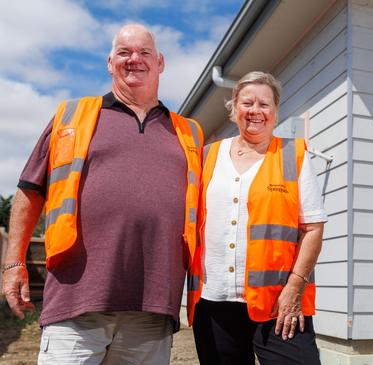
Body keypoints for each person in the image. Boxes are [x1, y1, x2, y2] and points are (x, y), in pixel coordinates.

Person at [1, 24, 203, 364]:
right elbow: (29, 191)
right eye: (124, 53)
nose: (134, 59)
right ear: (110, 63)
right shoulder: (73, 116)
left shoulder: (189, 132)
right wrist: (13, 264)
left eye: (144, 52)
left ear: (161, 62)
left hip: (153, 307)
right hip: (76, 300)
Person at [187, 71, 327, 364]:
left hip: (280, 304)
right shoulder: (206, 156)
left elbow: (312, 229)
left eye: (264, 104)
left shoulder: (293, 156)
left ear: (276, 111)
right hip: (215, 304)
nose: (255, 111)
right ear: (234, 109)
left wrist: (294, 289)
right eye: (247, 102)